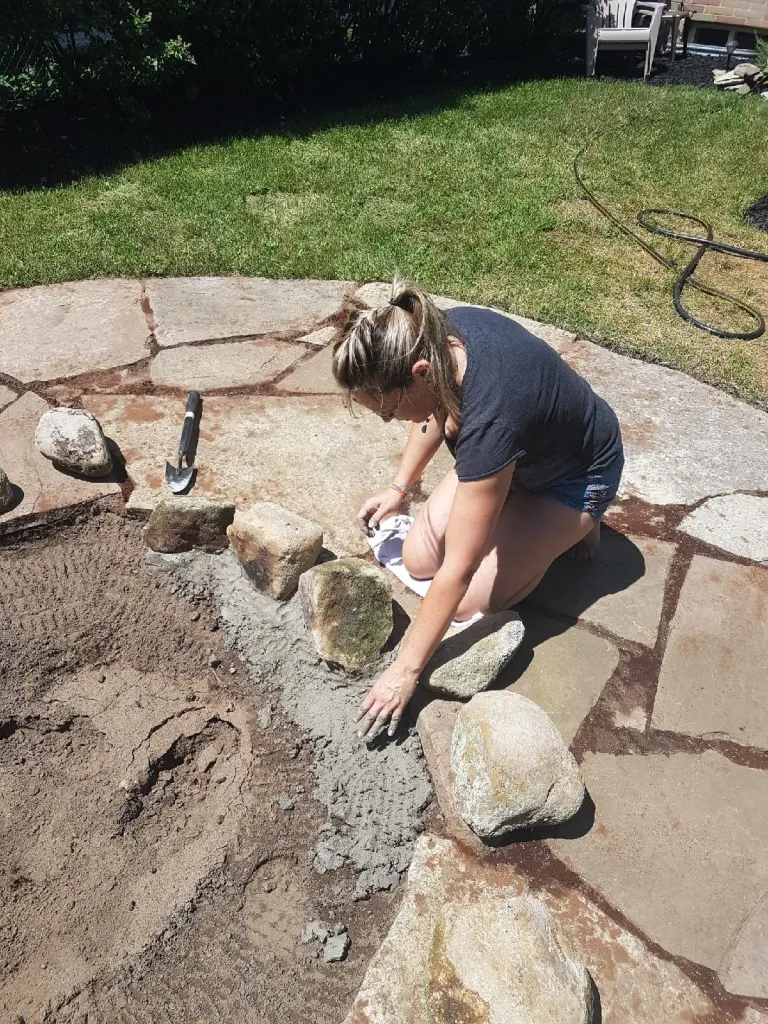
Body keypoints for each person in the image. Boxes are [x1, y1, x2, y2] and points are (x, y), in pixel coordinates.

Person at [331, 278, 624, 743]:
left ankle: (577, 523)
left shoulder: (493, 415)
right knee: (416, 558)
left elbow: (459, 571)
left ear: (420, 371)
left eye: (388, 411)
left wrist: (406, 670)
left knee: (470, 601)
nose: (392, 421)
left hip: (578, 475)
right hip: (516, 454)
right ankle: (521, 512)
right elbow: (430, 412)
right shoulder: (431, 334)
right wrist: (399, 488)